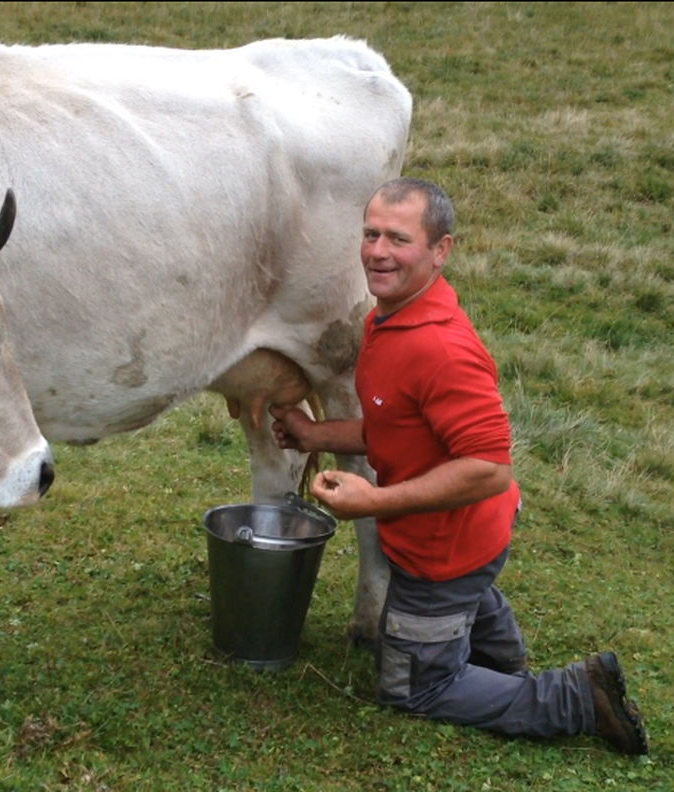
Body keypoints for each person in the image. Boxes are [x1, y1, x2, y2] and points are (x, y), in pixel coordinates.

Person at [268, 178, 648, 755]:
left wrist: (374, 502)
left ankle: (576, 699)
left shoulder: (442, 348)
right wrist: (314, 433)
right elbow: (395, 426)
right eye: (371, 234)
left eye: (399, 238)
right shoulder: (387, 321)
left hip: (442, 551)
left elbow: (489, 468)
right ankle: (496, 654)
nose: (377, 251)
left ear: (440, 250)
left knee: (413, 690)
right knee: (459, 604)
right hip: (470, 537)